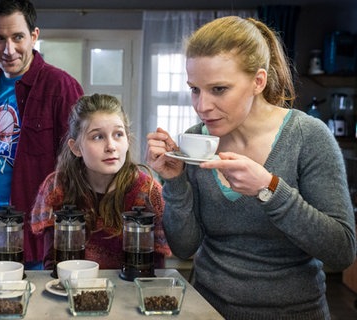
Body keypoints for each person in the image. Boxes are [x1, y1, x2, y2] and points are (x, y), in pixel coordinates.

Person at [146, 16, 356, 319]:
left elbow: (341, 251)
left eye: (218, 89)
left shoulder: (307, 136)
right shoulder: (196, 141)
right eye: (195, 89)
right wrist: (174, 182)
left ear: (258, 81)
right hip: (207, 310)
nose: (202, 106)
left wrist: (269, 189)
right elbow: (183, 246)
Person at [0, 0, 84, 268]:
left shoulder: (62, 86)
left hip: (35, 236)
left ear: (34, 36)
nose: (9, 50)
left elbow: (79, 161)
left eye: (18, 37)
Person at [31, 94, 171, 270]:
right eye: (98, 137)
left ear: (128, 140)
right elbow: (52, 263)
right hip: (70, 290)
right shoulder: (57, 186)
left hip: (128, 293)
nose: (111, 146)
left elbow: (155, 271)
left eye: (118, 134)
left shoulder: (148, 191)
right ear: (75, 147)